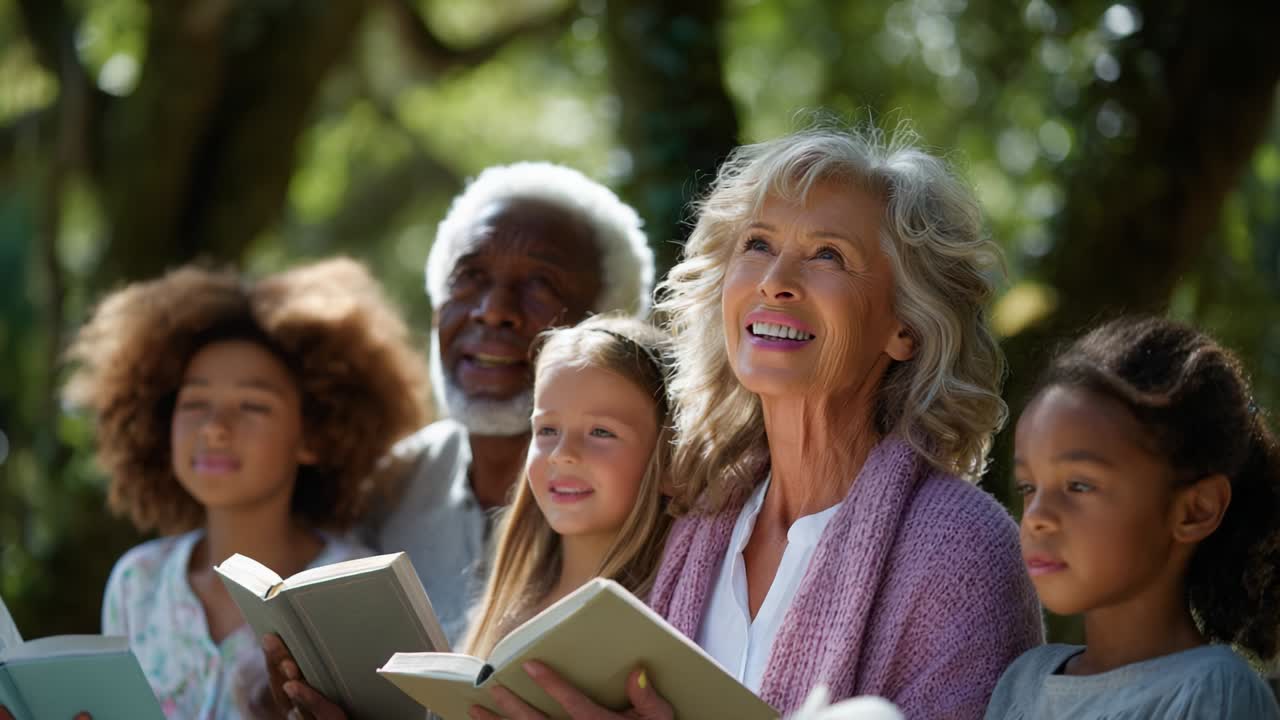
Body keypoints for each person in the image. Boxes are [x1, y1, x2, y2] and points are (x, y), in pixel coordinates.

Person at [488, 124, 1042, 719]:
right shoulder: (695, 519)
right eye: (757, 245)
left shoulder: (964, 551)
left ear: (906, 326)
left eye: (828, 255)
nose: (775, 282)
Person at [264, 163, 654, 717]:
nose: (493, 310)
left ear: (603, 326)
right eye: (469, 276)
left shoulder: (663, 512)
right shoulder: (387, 485)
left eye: (540, 285)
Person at [56, 258, 427, 719]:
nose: (214, 428)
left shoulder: (356, 587)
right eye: (194, 402)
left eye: (252, 405)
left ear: (314, 436)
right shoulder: (137, 581)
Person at [986, 317, 1280, 719]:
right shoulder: (1022, 682)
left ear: (1196, 509)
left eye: (1079, 485)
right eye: (1028, 488)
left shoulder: (1213, 691)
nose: (1037, 517)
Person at [466, 314, 675, 663]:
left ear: (670, 455)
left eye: (601, 432)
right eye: (547, 430)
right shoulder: (506, 611)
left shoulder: (670, 619)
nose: (563, 455)